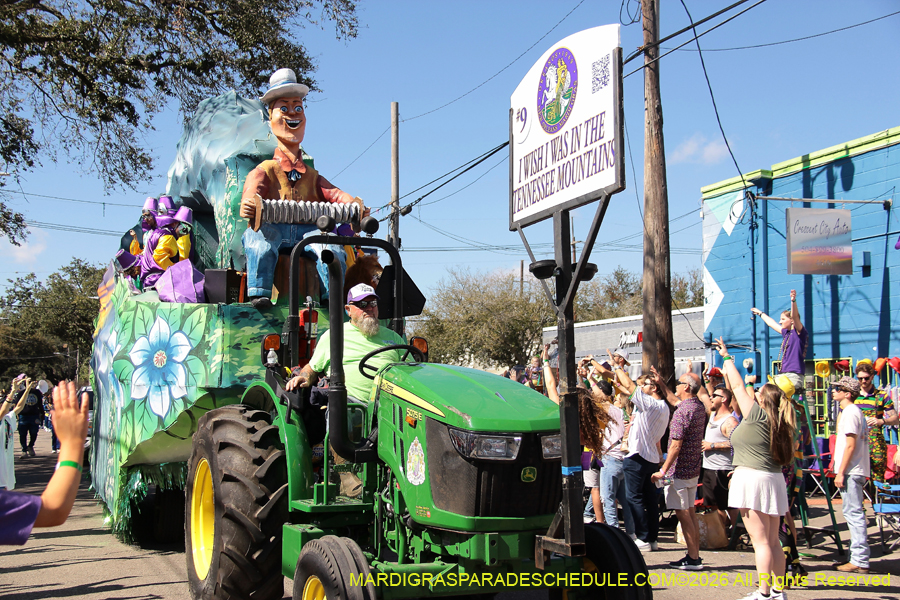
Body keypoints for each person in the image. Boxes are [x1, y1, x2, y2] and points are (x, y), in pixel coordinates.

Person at [239, 68, 358, 309]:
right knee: (259, 239)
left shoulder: (312, 176)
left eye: (298, 107)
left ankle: (332, 298)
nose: (292, 114)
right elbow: (253, 188)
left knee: (331, 246)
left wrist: (353, 205)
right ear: (270, 116)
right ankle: (259, 292)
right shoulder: (267, 168)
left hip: (309, 230)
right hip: (274, 226)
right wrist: (251, 201)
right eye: (284, 108)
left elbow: (334, 194)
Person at [717, 337, 796, 600]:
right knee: (773, 541)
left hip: (752, 480)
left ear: (764, 400)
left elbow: (738, 384)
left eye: (759, 391)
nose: (755, 391)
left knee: (760, 542)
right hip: (773, 480)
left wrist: (727, 358)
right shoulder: (782, 423)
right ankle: (777, 591)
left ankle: (763, 593)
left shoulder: (757, 414)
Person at [0, 381, 89, 545]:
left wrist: (25, 390)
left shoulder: (8, 419)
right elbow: (53, 510)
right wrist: (72, 443)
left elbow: (17, 407)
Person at [286, 284, 407, 403]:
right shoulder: (333, 336)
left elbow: (410, 370)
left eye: (373, 303)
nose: (369, 308)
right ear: (348, 310)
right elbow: (312, 368)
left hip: (390, 406)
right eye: (363, 305)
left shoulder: (394, 337)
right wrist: (304, 377)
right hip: (349, 405)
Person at [606, 357, 669, 552]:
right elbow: (626, 388)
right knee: (650, 500)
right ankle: (651, 538)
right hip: (651, 457)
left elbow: (630, 386)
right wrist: (616, 373)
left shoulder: (649, 404)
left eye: (646, 384)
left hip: (637, 455)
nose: (641, 387)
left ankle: (642, 537)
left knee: (634, 498)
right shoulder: (665, 407)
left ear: (655, 388)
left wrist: (617, 367)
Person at [651, 368, 707, 571]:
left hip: (679, 472)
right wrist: (662, 384)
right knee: (689, 512)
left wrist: (663, 470)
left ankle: (693, 558)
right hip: (692, 469)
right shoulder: (697, 406)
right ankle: (694, 555)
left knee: (683, 514)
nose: (676, 386)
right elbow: (674, 400)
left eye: (679, 383)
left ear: (686, 387)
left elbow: (675, 445)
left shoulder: (684, 411)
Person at [831, 376, 870, 574]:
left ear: (848, 393)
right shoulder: (853, 412)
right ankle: (857, 556)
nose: (833, 390)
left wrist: (841, 471)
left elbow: (850, 445)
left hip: (852, 470)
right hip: (854, 469)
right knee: (853, 513)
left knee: (853, 514)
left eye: (838, 388)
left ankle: (859, 559)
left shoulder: (850, 413)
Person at [751, 289, 807, 392]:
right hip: (782, 376)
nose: (780, 322)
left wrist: (793, 301)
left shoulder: (799, 333)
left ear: (791, 321)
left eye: (783, 319)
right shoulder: (786, 333)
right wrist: (760, 313)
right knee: (761, 391)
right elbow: (771, 323)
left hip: (793, 376)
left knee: (774, 394)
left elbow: (795, 316)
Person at [701, 387, 740, 533]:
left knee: (730, 505)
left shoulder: (730, 421)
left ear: (723, 399)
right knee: (714, 505)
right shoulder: (713, 414)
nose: (711, 398)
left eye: (714, 396)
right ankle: (721, 534)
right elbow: (702, 393)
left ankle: (738, 534)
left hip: (723, 469)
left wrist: (713, 445)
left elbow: (736, 442)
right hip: (709, 468)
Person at [854, 361, 897, 484]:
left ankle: (877, 503)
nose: (863, 381)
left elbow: (895, 419)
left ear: (872, 377)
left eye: (866, 378)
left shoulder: (882, 396)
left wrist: (881, 421)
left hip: (875, 442)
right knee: (855, 476)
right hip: (856, 441)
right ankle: (858, 503)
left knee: (878, 476)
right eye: (860, 378)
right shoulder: (853, 396)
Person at [1, 381, 31, 490]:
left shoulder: (8, 418)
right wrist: (13, 391)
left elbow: (19, 406)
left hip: (6, 466)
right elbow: (4, 410)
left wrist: (27, 391)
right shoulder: (1, 417)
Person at [13, 376, 43, 458]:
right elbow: (17, 405)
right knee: (22, 434)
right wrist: (16, 415)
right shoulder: (20, 393)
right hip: (23, 416)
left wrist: (42, 414)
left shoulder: (37, 393)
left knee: (34, 433)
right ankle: (24, 450)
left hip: (34, 416)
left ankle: (30, 446)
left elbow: (40, 404)